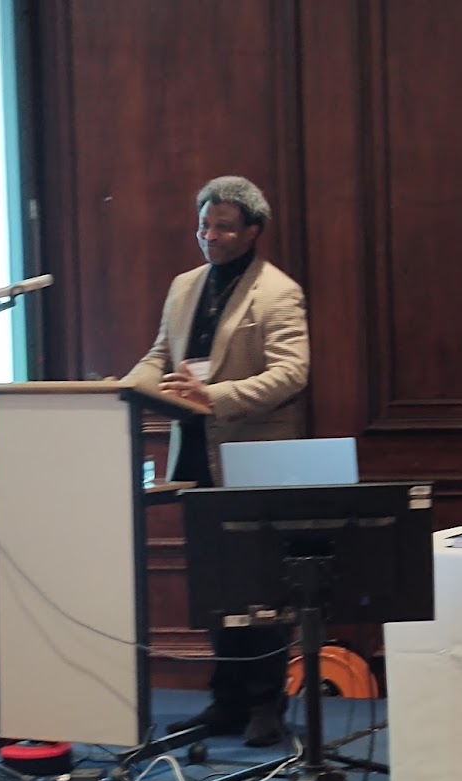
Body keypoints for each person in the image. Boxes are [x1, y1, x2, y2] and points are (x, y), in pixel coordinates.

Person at [127, 175, 309, 747]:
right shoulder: (184, 287)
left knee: (261, 587)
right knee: (216, 586)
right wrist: (121, 389)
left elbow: (292, 373)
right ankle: (225, 702)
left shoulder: (278, 292)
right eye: (204, 225)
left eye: (223, 227)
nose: (209, 236)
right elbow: (161, 356)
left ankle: (265, 705)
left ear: (253, 230)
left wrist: (218, 397)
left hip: (253, 455)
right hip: (194, 455)